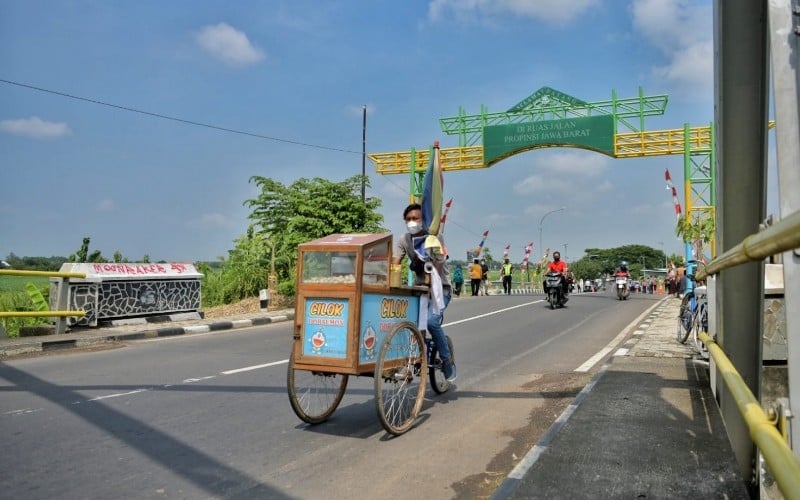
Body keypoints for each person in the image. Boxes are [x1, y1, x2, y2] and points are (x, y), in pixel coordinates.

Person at [393, 203, 456, 381]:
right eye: (409, 219)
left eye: (416, 218)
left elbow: (437, 265)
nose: (412, 222)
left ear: (424, 220)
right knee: (410, 323)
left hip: (440, 288)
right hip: (419, 289)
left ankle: (447, 359)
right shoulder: (404, 240)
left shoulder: (435, 237)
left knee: (431, 322)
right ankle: (416, 358)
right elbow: (396, 263)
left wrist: (427, 268)